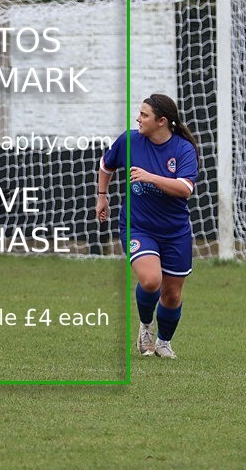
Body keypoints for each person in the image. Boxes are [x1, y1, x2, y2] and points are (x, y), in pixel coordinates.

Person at [96, 93, 199, 359]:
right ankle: (145, 327)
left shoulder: (182, 149)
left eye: (144, 115)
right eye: (139, 114)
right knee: (151, 280)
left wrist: (150, 177)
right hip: (138, 226)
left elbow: (185, 189)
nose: (138, 119)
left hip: (175, 231)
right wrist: (102, 196)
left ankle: (164, 343)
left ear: (161, 121)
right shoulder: (129, 140)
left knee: (172, 295)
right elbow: (106, 165)